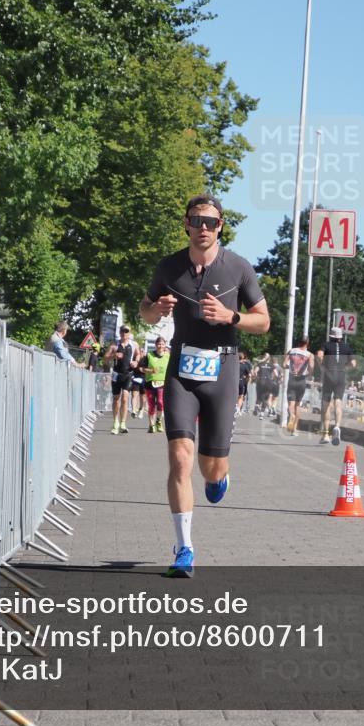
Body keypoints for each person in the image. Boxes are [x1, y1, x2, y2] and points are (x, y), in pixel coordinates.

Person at [140, 194, 270, 577]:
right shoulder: (169, 267)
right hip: (181, 368)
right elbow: (144, 311)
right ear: (186, 223)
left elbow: (263, 321)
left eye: (210, 222)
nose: (203, 228)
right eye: (196, 220)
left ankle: (220, 477)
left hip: (223, 369)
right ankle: (184, 549)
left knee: (211, 470)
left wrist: (232, 317)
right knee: (180, 458)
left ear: (220, 226)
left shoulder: (239, 268)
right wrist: (156, 310)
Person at [316, 327, 356, 446]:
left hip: (329, 375)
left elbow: (319, 355)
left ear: (331, 336)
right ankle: (337, 426)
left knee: (326, 405)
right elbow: (353, 364)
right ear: (340, 337)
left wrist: (322, 365)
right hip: (341, 376)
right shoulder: (346, 347)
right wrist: (345, 367)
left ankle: (326, 434)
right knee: (338, 402)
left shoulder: (326, 345)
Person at [109, 326, 139, 434]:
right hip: (117, 374)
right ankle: (115, 422)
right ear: (120, 332)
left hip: (128, 374)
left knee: (125, 398)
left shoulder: (134, 344)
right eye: (122, 331)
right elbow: (105, 357)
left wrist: (136, 361)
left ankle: (123, 423)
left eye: (126, 331)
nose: (124, 333)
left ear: (129, 333)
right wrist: (114, 355)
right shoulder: (114, 344)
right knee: (116, 398)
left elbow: (138, 354)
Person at [284, 337, 314, 436]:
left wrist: (290, 367)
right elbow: (311, 367)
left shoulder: (291, 351)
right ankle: (294, 430)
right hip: (302, 381)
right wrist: (309, 374)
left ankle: (291, 415)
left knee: (291, 404)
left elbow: (284, 364)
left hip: (292, 379)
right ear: (307, 343)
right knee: (298, 405)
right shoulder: (309, 355)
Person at [140, 337, 170, 433]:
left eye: (162, 344)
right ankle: (151, 424)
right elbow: (142, 368)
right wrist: (151, 371)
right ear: (155, 345)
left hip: (163, 383)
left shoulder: (168, 356)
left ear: (165, 345)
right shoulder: (149, 355)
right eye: (158, 344)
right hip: (150, 383)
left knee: (161, 402)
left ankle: (158, 421)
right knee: (151, 405)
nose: (160, 346)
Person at [130, 344, 146, 419]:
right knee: (134, 394)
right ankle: (133, 410)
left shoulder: (146, 359)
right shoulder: (134, 358)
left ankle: (141, 409)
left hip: (144, 378)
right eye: (140, 351)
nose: (141, 352)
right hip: (135, 378)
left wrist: (142, 369)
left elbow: (149, 369)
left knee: (142, 396)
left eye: (143, 351)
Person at [236, 351, 252, 415]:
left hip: (234, 382)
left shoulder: (233, 364)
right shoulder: (244, 365)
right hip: (241, 381)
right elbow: (249, 375)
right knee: (241, 396)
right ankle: (238, 409)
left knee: (234, 396)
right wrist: (247, 380)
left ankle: (235, 408)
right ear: (242, 358)